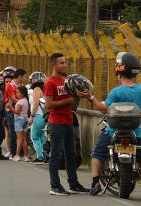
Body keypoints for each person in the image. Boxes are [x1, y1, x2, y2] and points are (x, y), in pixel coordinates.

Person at [78, 52, 141, 201]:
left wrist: (91, 97)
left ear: (120, 72)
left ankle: (95, 182)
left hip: (113, 131)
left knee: (97, 154)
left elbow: (104, 109)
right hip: (135, 131)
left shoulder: (116, 92)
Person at [44, 53, 88, 195]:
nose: (64, 65)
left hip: (69, 121)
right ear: (54, 65)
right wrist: (67, 101)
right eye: (61, 63)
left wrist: (77, 98)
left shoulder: (66, 80)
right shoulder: (50, 82)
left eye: (65, 62)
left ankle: (73, 184)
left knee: (72, 155)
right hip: (56, 123)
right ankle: (55, 186)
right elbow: (49, 105)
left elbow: (72, 103)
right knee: (56, 155)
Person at [4, 69, 26, 158]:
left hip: (20, 111)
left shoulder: (21, 85)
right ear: (20, 76)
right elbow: (13, 98)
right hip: (11, 111)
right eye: (24, 76)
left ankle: (20, 153)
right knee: (13, 132)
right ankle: (13, 152)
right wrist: (23, 103)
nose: (25, 78)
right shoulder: (10, 85)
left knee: (21, 133)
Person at [29, 72, 48, 164]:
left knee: (35, 137)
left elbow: (36, 103)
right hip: (44, 116)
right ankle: (46, 154)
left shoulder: (37, 89)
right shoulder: (45, 90)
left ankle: (40, 157)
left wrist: (31, 116)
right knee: (42, 137)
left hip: (37, 116)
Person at [9, 86, 30, 162]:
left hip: (19, 120)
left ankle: (17, 155)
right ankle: (26, 156)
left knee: (19, 138)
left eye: (18, 92)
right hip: (25, 119)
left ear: (23, 94)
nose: (16, 94)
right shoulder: (25, 100)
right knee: (24, 139)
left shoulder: (20, 102)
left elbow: (17, 112)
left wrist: (10, 108)